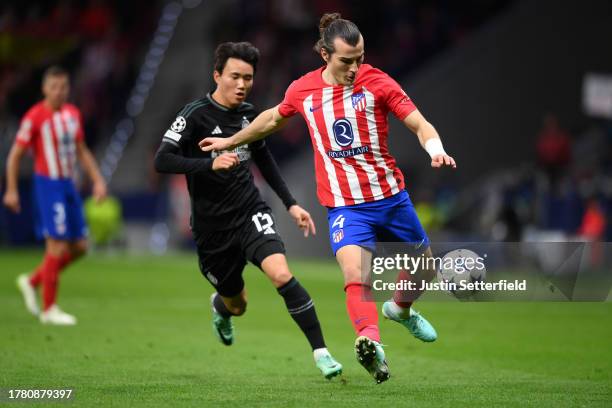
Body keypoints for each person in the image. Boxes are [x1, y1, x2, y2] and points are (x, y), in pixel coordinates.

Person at [200, 14, 457, 384]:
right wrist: (229, 141)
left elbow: (418, 122)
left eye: (359, 58)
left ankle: (400, 309)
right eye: (346, 60)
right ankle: (370, 342)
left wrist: (435, 148)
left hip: (390, 198)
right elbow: (271, 119)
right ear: (324, 54)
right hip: (345, 207)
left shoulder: (377, 82)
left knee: (425, 268)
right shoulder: (304, 90)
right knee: (357, 275)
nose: (355, 67)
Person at [154, 42, 343, 380]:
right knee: (237, 305)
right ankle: (220, 307)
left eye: (249, 78)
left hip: (250, 212)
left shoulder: (249, 114)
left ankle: (322, 353)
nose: (242, 85)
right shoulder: (194, 114)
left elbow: (264, 160)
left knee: (281, 274)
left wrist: (291, 204)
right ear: (217, 76)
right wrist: (208, 165)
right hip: (213, 230)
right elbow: (162, 159)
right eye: (235, 77)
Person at [3, 66, 107, 325]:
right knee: (57, 244)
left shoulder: (73, 114)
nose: (59, 92)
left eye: (63, 87)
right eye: (54, 87)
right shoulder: (35, 117)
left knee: (80, 247)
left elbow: (81, 149)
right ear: (44, 89)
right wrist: (12, 190)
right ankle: (49, 310)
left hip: (68, 185)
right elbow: (14, 156)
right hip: (47, 185)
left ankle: (33, 280)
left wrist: (97, 180)